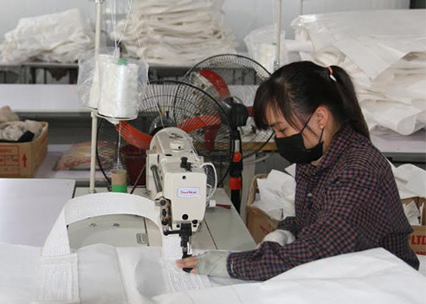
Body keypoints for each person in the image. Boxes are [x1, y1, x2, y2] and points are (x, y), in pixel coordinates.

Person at [177, 61, 419, 280]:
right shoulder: (315, 157)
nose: (280, 139)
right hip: (347, 274)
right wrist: (285, 231)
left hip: (385, 286)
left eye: (282, 129)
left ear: (320, 118)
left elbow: (315, 253)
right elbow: (311, 220)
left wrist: (231, 264)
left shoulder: (358, 172)